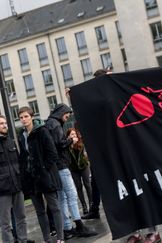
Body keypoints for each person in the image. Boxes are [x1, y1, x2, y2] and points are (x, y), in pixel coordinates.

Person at [45, 104, 97, 238]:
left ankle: (67, 228)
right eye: (67, 114)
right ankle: (79, 225)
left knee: (62, 197)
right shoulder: (56, 125)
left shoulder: (49, 123)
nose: (68, 117)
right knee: (72, 195)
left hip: (55, 167)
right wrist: (70, 140)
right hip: (61, 165)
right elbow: (60, 144)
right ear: (62, 112)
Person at [17, 107, 64, 243]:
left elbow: (52, 153)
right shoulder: (22, 135)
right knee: (40, 211)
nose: (24, 119)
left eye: (26, 116)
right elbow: (24, 156)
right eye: (21, 117)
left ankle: (60, 238)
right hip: (31, 179)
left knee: (54, 207)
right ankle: (47, 239)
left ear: (31, 117)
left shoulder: (42, 131)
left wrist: (44, 169)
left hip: (45, 176)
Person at [81, 69, 111, 220]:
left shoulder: (109, 96)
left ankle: (96, 208)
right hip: (100, 150)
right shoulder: (97, 99)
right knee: (96, 181)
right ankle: (95, 208)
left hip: (110, 149)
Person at [0, 115, 34, 243]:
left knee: (21, 217)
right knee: (5, 223)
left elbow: (19, 163)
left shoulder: (11, 142)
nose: (4, 125)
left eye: (5, 123)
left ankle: (23, 240)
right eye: (1, 123)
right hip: (3, 190)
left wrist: (22, 181)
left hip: (17, 186)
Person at [66, 128, 92, 215]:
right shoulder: (67, 146)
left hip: (84, 167)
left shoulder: (81, 143)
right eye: (71, 134)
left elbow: (85, 154)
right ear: (68, 136)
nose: (74, 136)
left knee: (88, 185)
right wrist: (70, 144)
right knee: (78, 187)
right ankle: (84, 206)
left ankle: (91, 204)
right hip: (74, 169)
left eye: (74, 134)